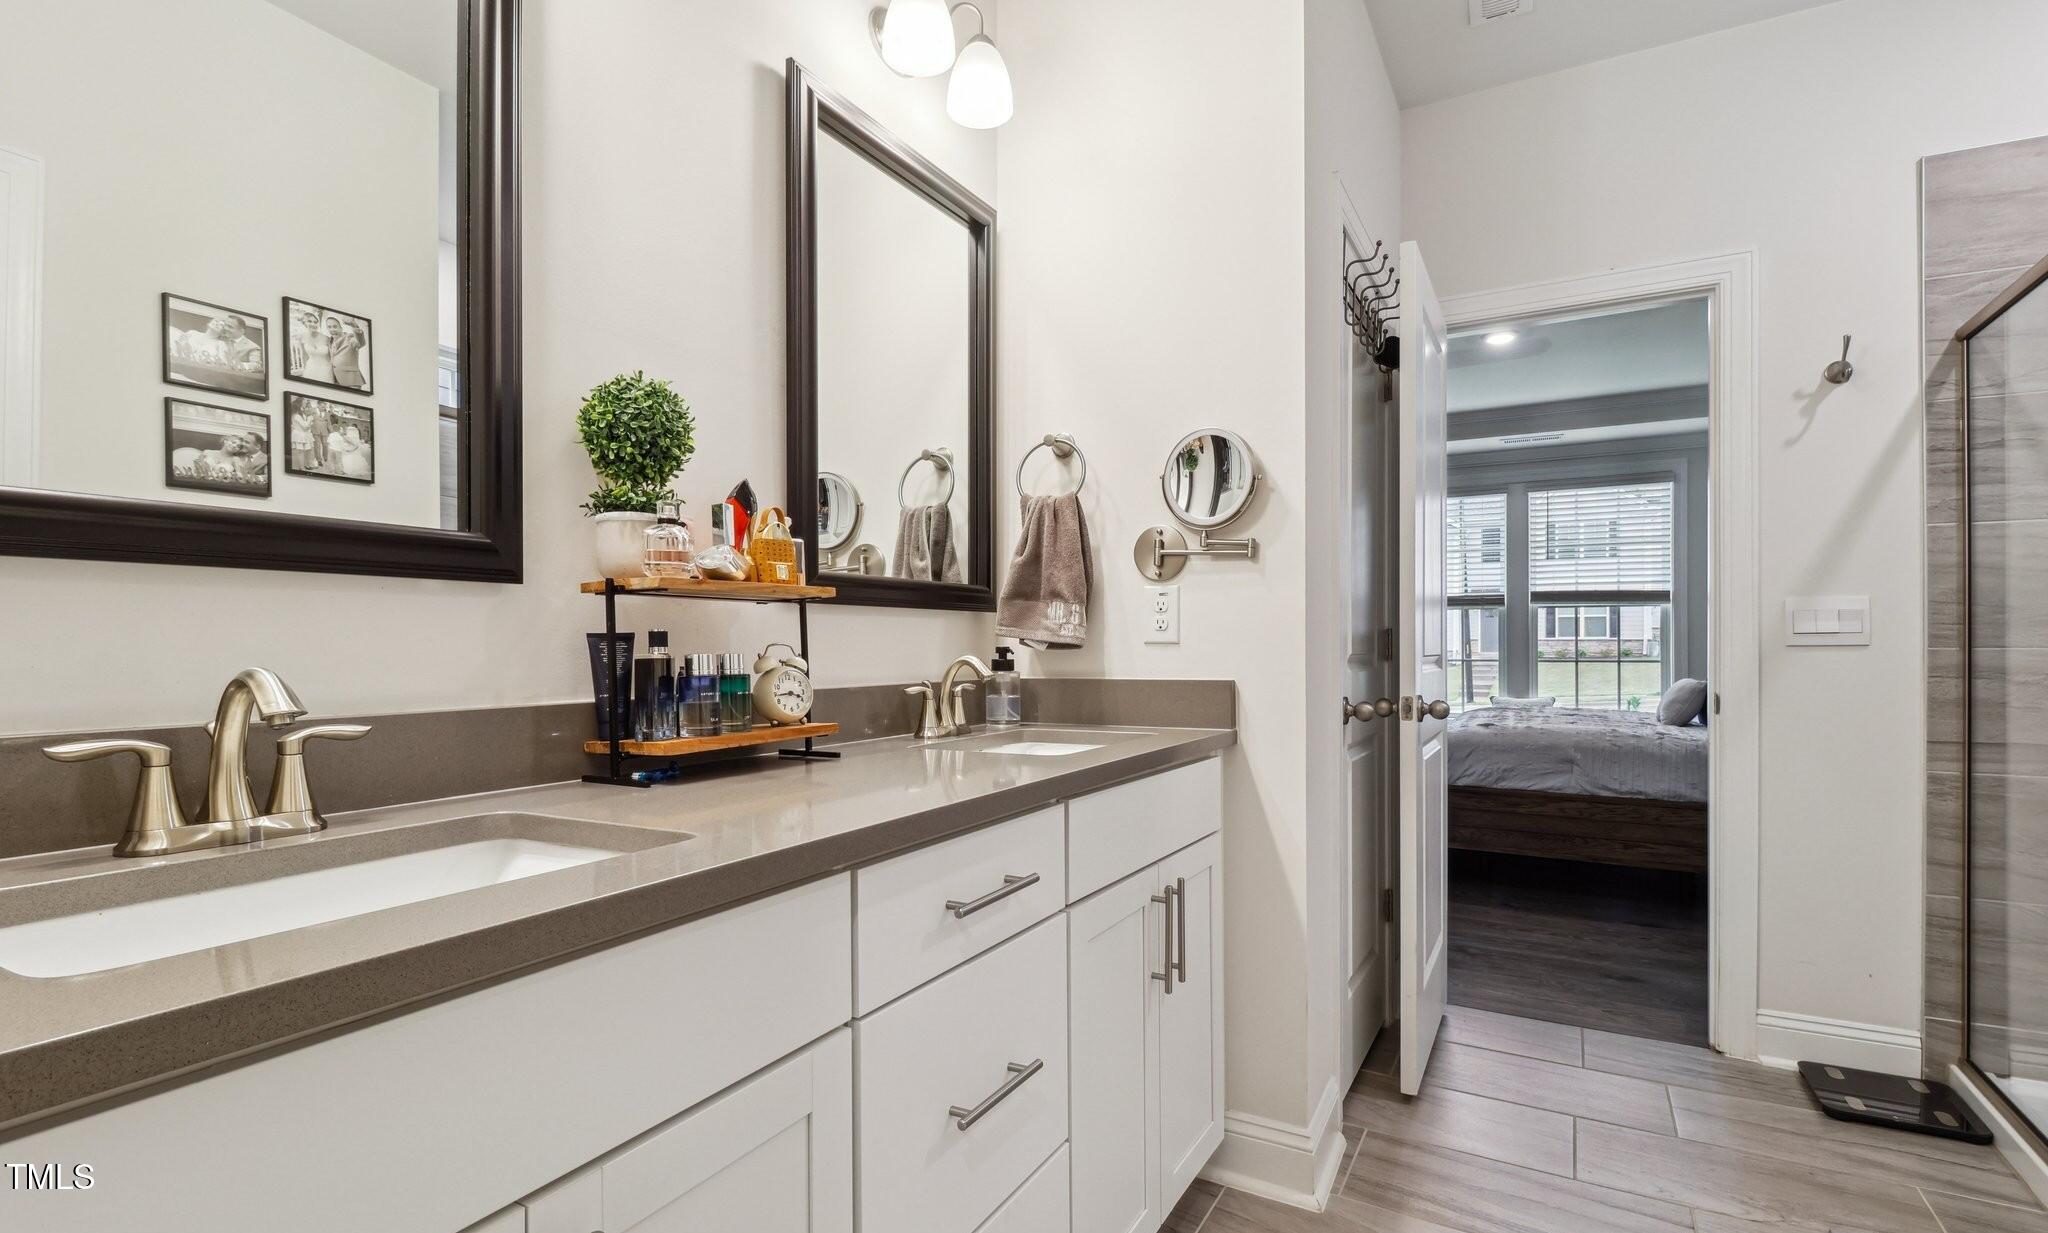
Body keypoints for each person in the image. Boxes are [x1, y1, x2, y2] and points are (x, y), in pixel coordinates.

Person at [292, 309, 335, 384]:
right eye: (310, 321)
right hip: (310, 368)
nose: (313, 324)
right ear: (304, 323)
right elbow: (304, 356)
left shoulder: (327, 338)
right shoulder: (302, 337)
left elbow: (332, 357)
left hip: (326, 369)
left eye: (315, 322)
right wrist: (305, 369)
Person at [328, 318, 366, 390]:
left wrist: (354, 325)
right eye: (329, 327)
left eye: (335, 326)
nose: (332, 329)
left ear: (341, 327)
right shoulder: (330, 340)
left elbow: (361, 343)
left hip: (352, 381)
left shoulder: (350, 337)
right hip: (336, 381)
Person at [306, 399, 335, 469]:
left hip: (325, 432)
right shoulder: (313, 411)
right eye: (322, 406)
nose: (324, 408)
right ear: (318, 405)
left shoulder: (327, 414)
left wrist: (332, 433)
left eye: (324, 407)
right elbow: (305, 414)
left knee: (325, 445)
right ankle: (319, 460)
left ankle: (325, 457)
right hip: (315, 432)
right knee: (317, 446)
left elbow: (329, 424)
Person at [289, 405, 315, 472]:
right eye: (303, 407)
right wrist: (309, 419)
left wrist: (309, 422)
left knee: (307, 451)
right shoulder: (296, 416)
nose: (305, 409)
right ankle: (301, 467)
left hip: (304, 435)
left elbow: (307, 426)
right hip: (299, 436)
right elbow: (305, 426)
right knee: (300, 452)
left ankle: (306, 465)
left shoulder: (301, 415)